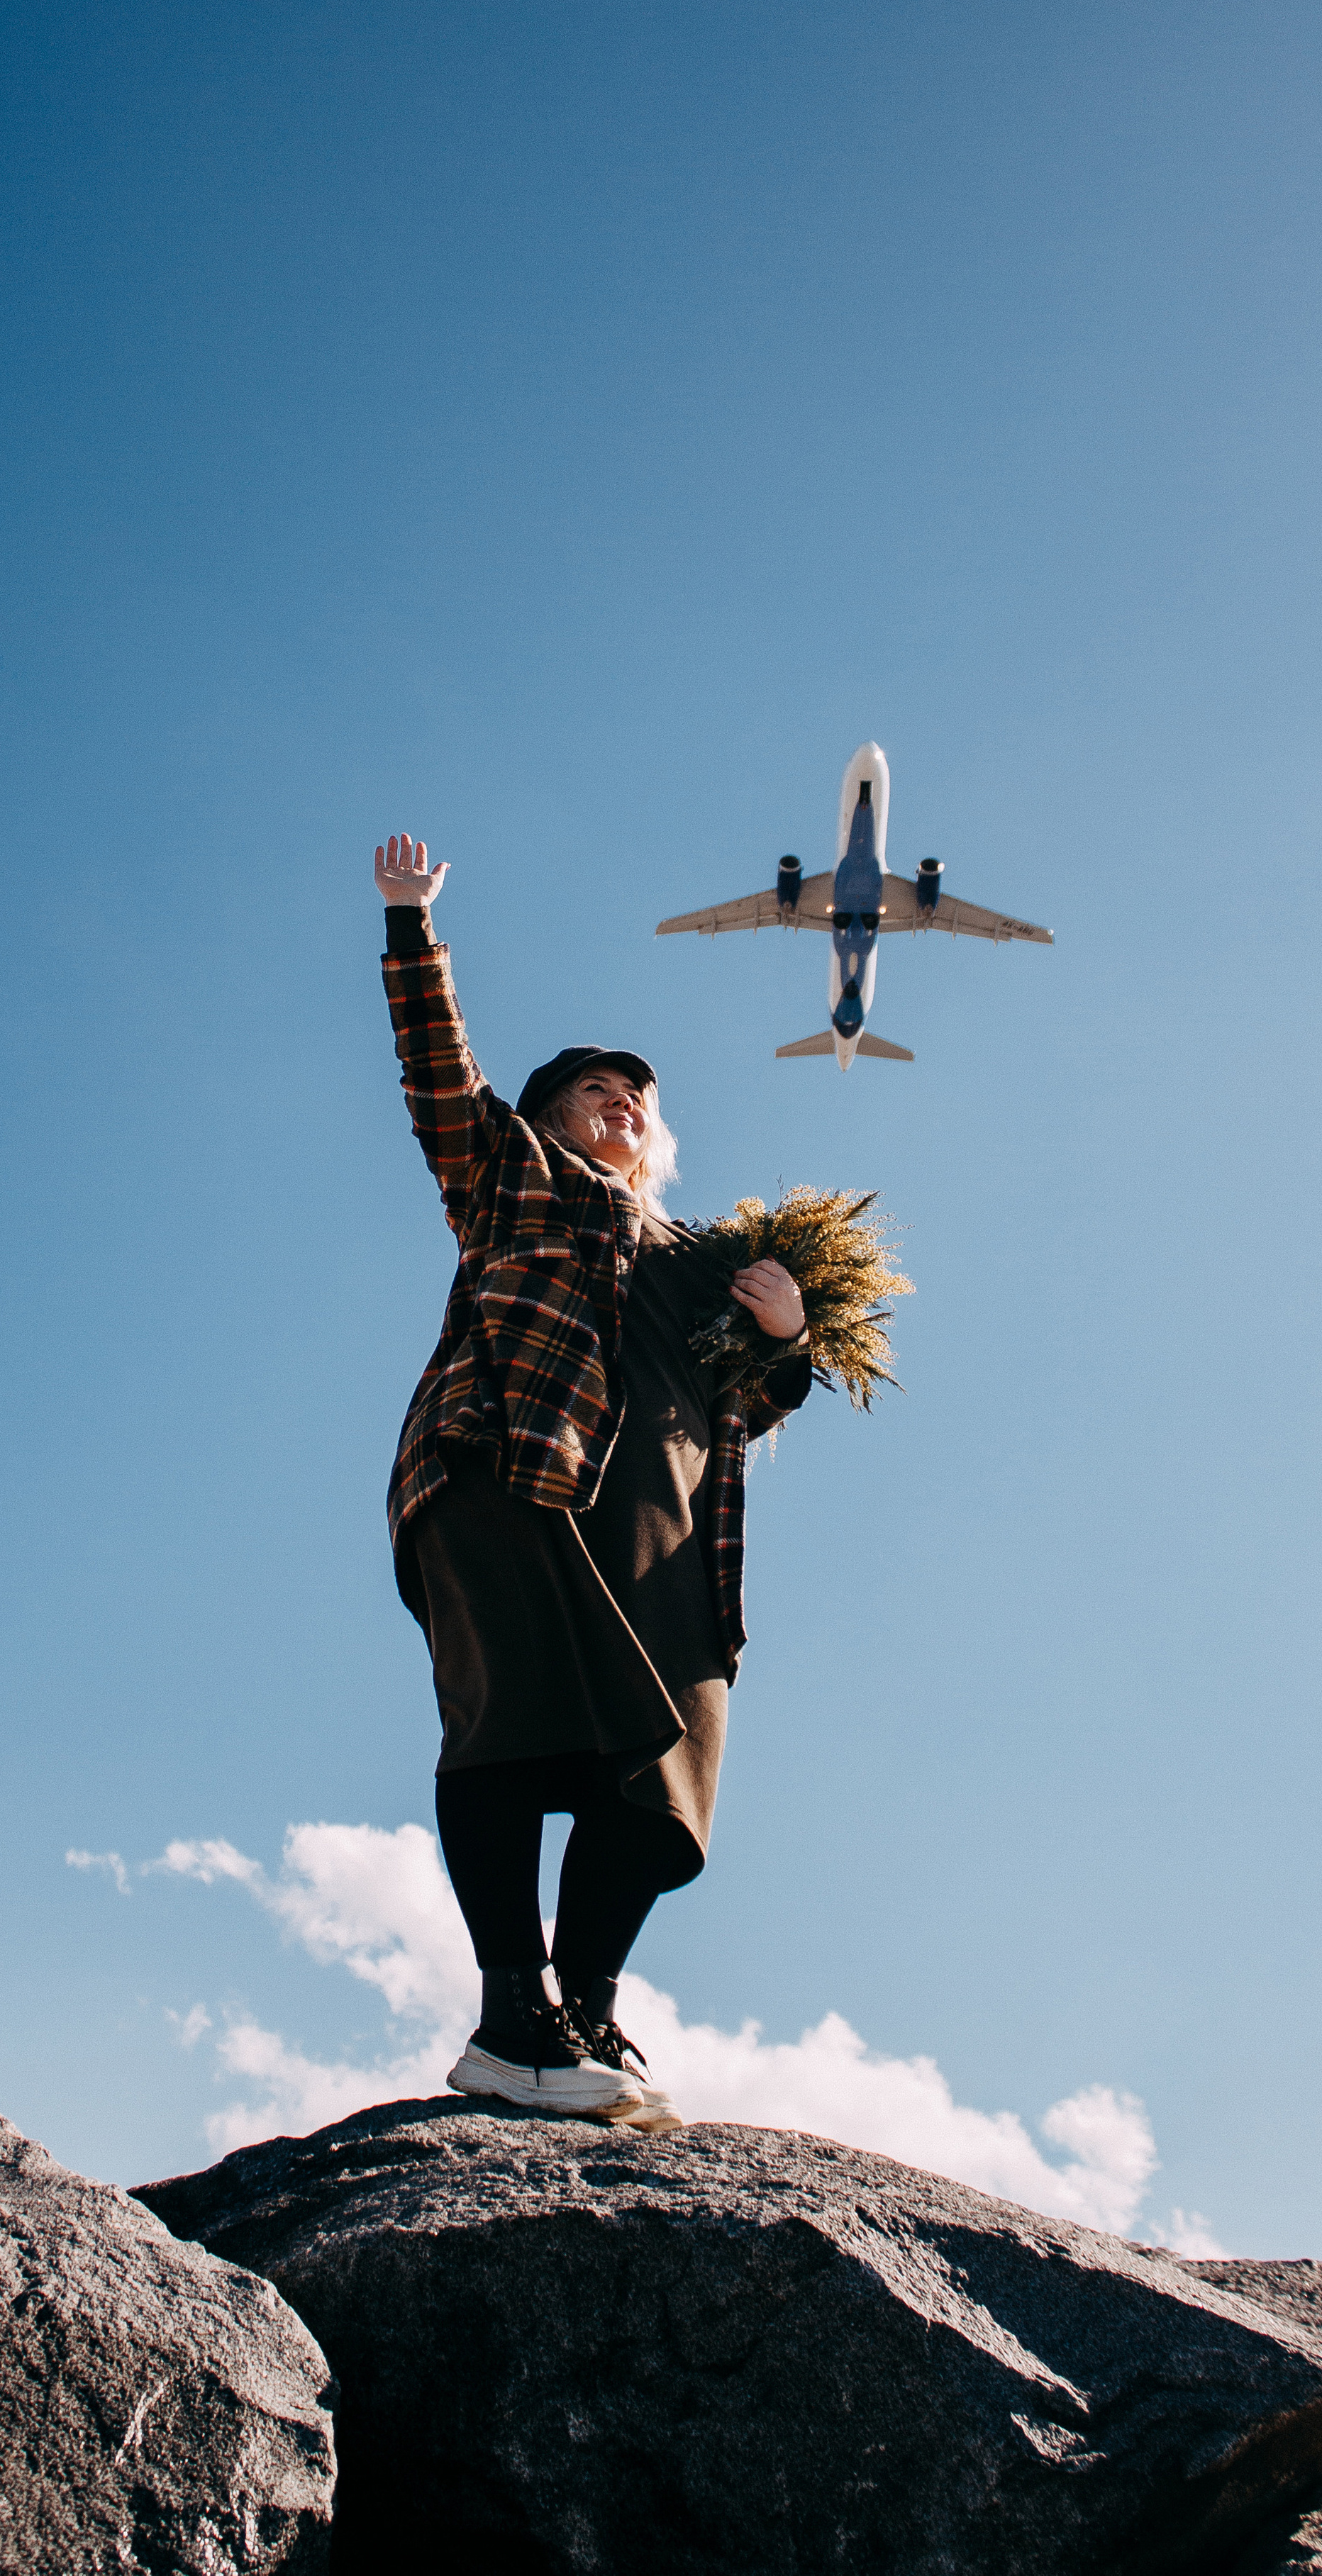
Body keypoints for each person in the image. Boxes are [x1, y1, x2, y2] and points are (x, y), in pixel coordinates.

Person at [377, 830, 816, 2129]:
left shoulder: (702, 1257)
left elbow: (760, 1394)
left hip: (671, 1553)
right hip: (511, 1483)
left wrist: (787, 1331)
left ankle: (580, 2009)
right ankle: (510, 2015)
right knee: (510, 1730)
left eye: (637, 1102)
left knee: (665, 1777)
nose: (622, 1110)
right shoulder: (516, 1183)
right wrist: (412, 924)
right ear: (550, 1121)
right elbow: (437, 1073)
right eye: (594, 1098)